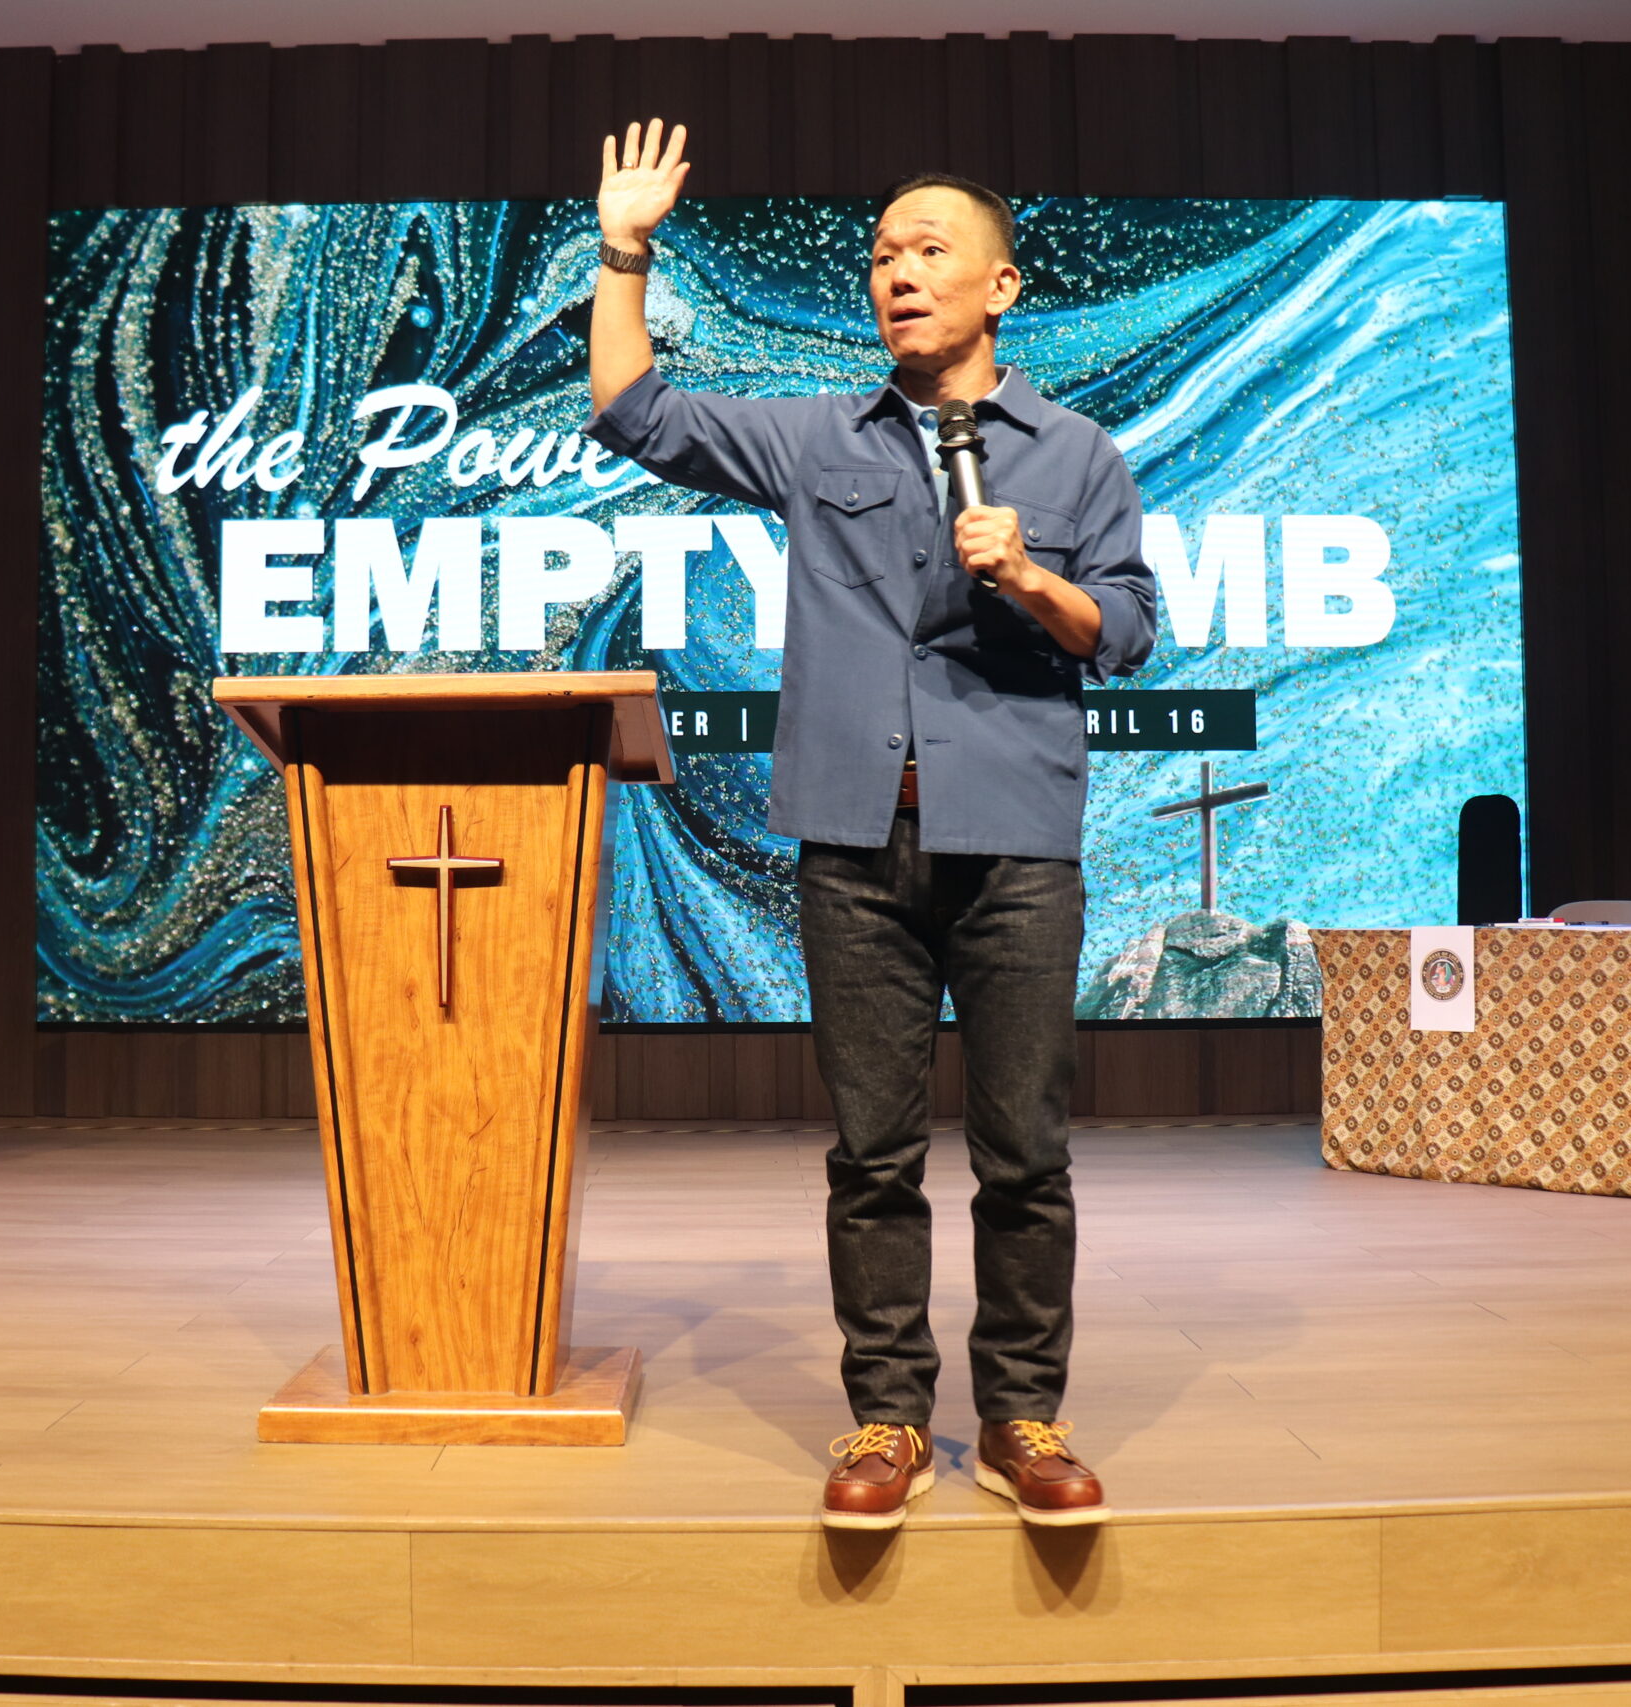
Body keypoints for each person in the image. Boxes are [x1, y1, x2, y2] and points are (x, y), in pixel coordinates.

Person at [584, 119, 1157, 1530]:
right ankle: (888, 1416)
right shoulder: (815, 436)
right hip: (853, 846)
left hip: (1016, 843)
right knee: (872, 1157)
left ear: (1000, 286)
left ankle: (1022, 1415)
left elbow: (1129, 630)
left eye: (928, 250)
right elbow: (634, 411)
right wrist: (624, 254)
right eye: (883, 254)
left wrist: (1031, 578)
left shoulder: (1076, 455)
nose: (898, 272)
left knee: (1024, 1153)